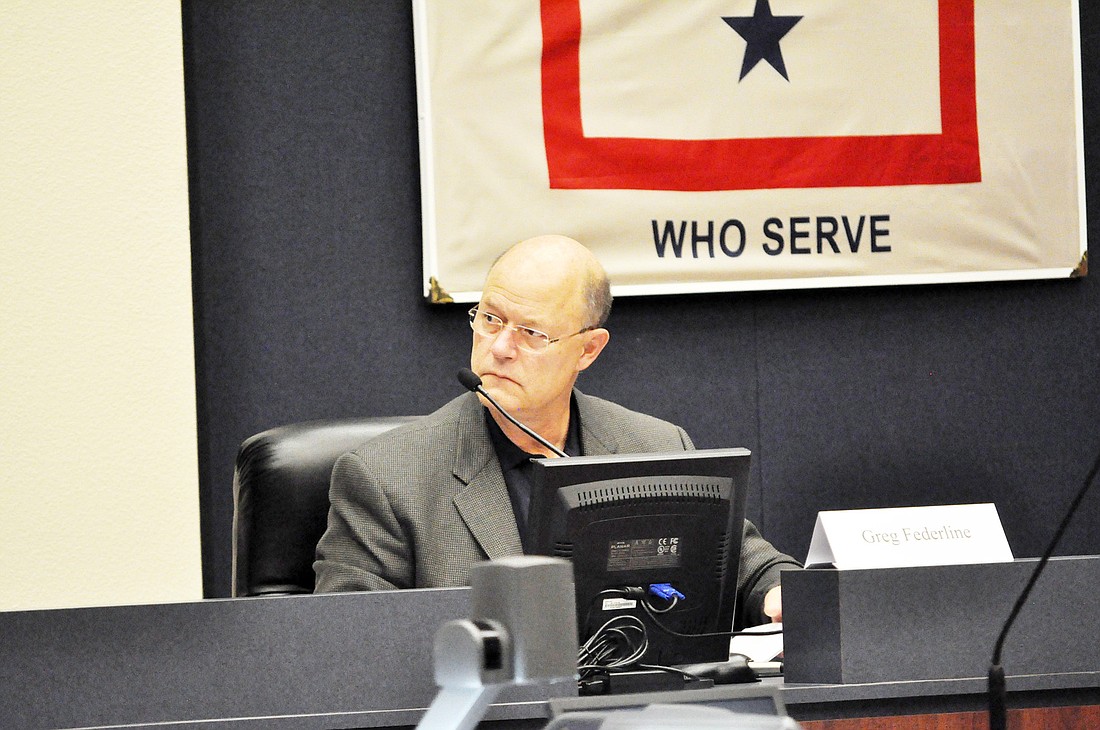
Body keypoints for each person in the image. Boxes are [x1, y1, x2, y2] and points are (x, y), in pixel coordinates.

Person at [313, 234, 800, 627]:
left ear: (588, 350)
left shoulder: (652, 447)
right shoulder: (385, 478)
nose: (500, 347)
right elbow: (348, 638)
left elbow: (745, 565)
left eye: (531, 333)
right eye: (490, 319)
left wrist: (778, 592)